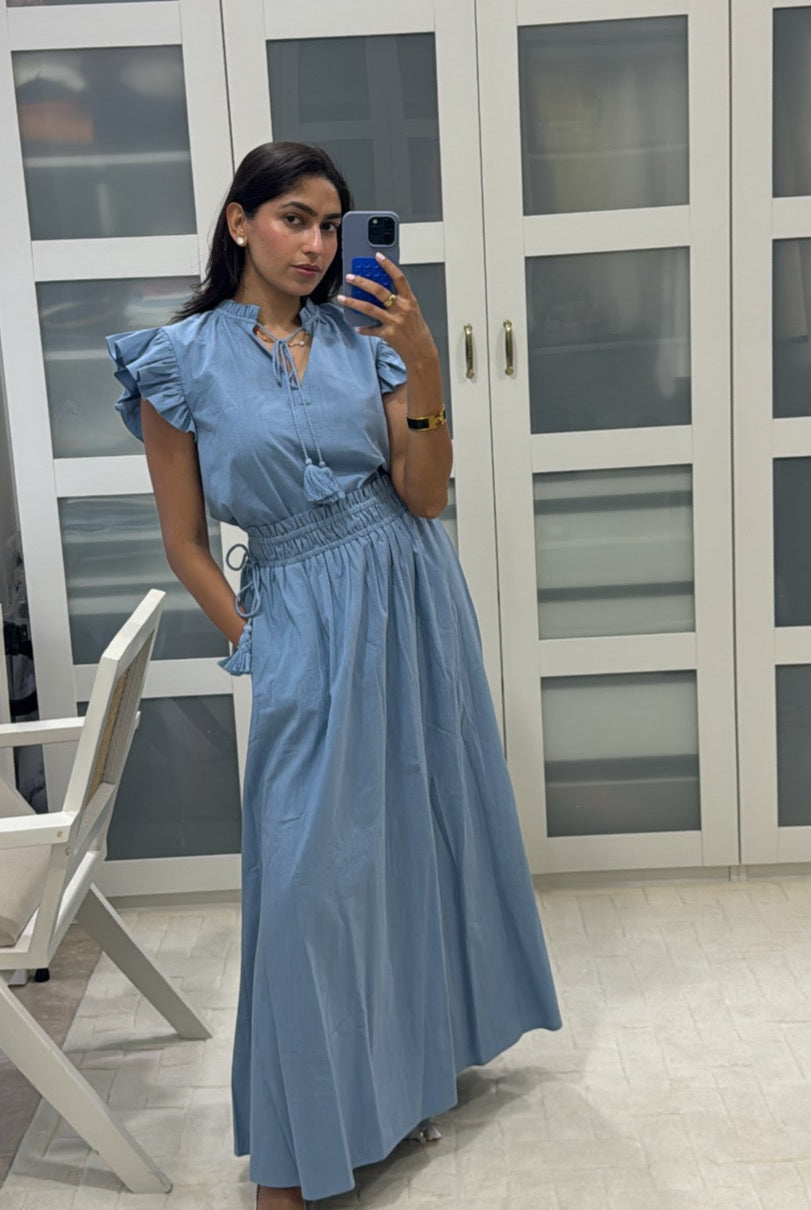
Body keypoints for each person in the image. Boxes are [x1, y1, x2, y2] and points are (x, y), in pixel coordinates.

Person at [107, 141, 561, 1210]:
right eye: (292, 219)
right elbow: (182, 538)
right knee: (310, 878)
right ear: (239, 223)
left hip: (409, 591)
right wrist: (253, 639)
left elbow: (425, 494)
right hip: (296, 612)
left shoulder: (369, 337)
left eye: (328, 224)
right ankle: (299, 1143)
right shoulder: (177, 361)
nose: (314, 244)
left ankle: (407, 1080)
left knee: (415, 836)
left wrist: (424, 364)